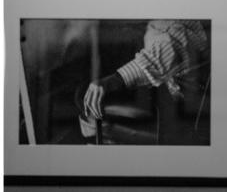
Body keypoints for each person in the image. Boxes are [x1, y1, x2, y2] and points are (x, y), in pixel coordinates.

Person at [80, 19, 210, 144]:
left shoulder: (176, 25)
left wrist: (111, 81)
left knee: (97, 122)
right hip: (174, 97)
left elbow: (166, 50)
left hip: (189, 114)